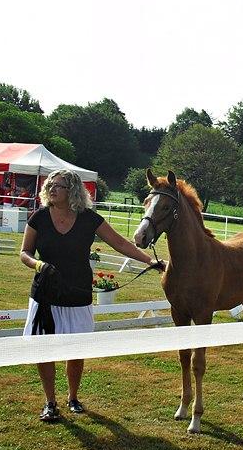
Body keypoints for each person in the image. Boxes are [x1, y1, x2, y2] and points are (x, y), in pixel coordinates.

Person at [20, 169, 163, 422]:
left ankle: (73, 397)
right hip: (45, 294)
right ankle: (50, 402)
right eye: (50, 185)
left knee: (76, 350)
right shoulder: (38, 218)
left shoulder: (89, 219)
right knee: (45, 349)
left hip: (78, 294)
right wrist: (38, 265)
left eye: (59, 186)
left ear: (72, 190)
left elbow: (120, 243)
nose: (52, 189)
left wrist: (150, 261)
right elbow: (25, 253)